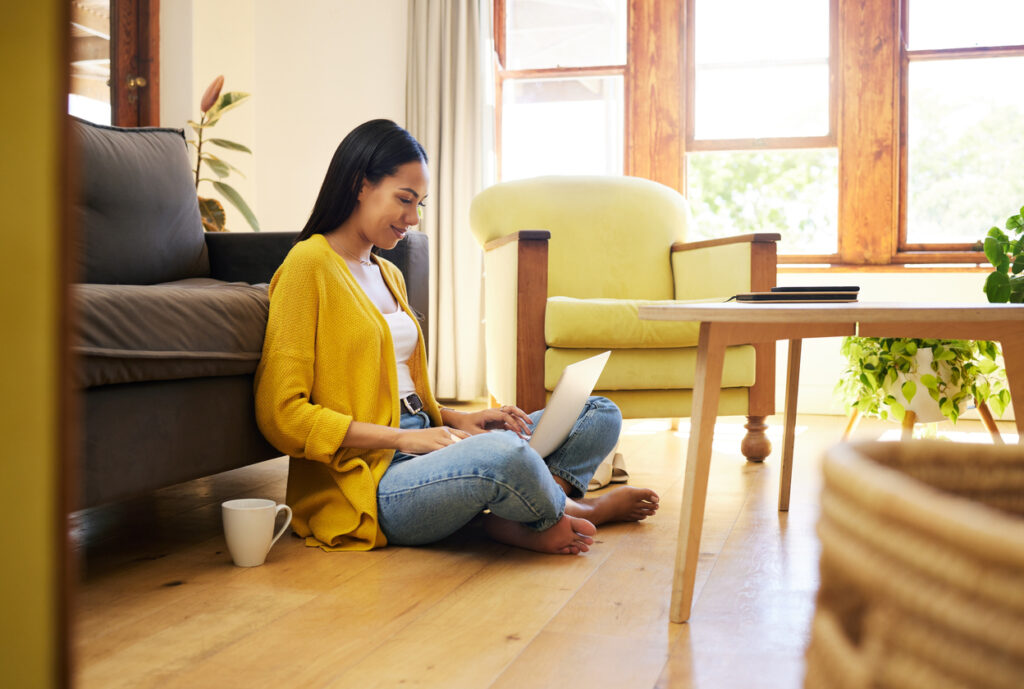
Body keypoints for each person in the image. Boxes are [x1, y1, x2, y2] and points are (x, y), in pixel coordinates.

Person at [254, 119, 659, 555]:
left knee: (599, 412)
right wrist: (403, 439)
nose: (413, 218)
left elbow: (398, 390)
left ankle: (518, 512)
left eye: (420, 204)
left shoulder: (388, 273)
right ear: (359, 184)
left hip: (433, 442)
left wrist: (455, 419)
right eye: (404, 200)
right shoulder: (307, 266)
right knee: (503, 455)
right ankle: (578, 510)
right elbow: (282, 415)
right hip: (376, 478)